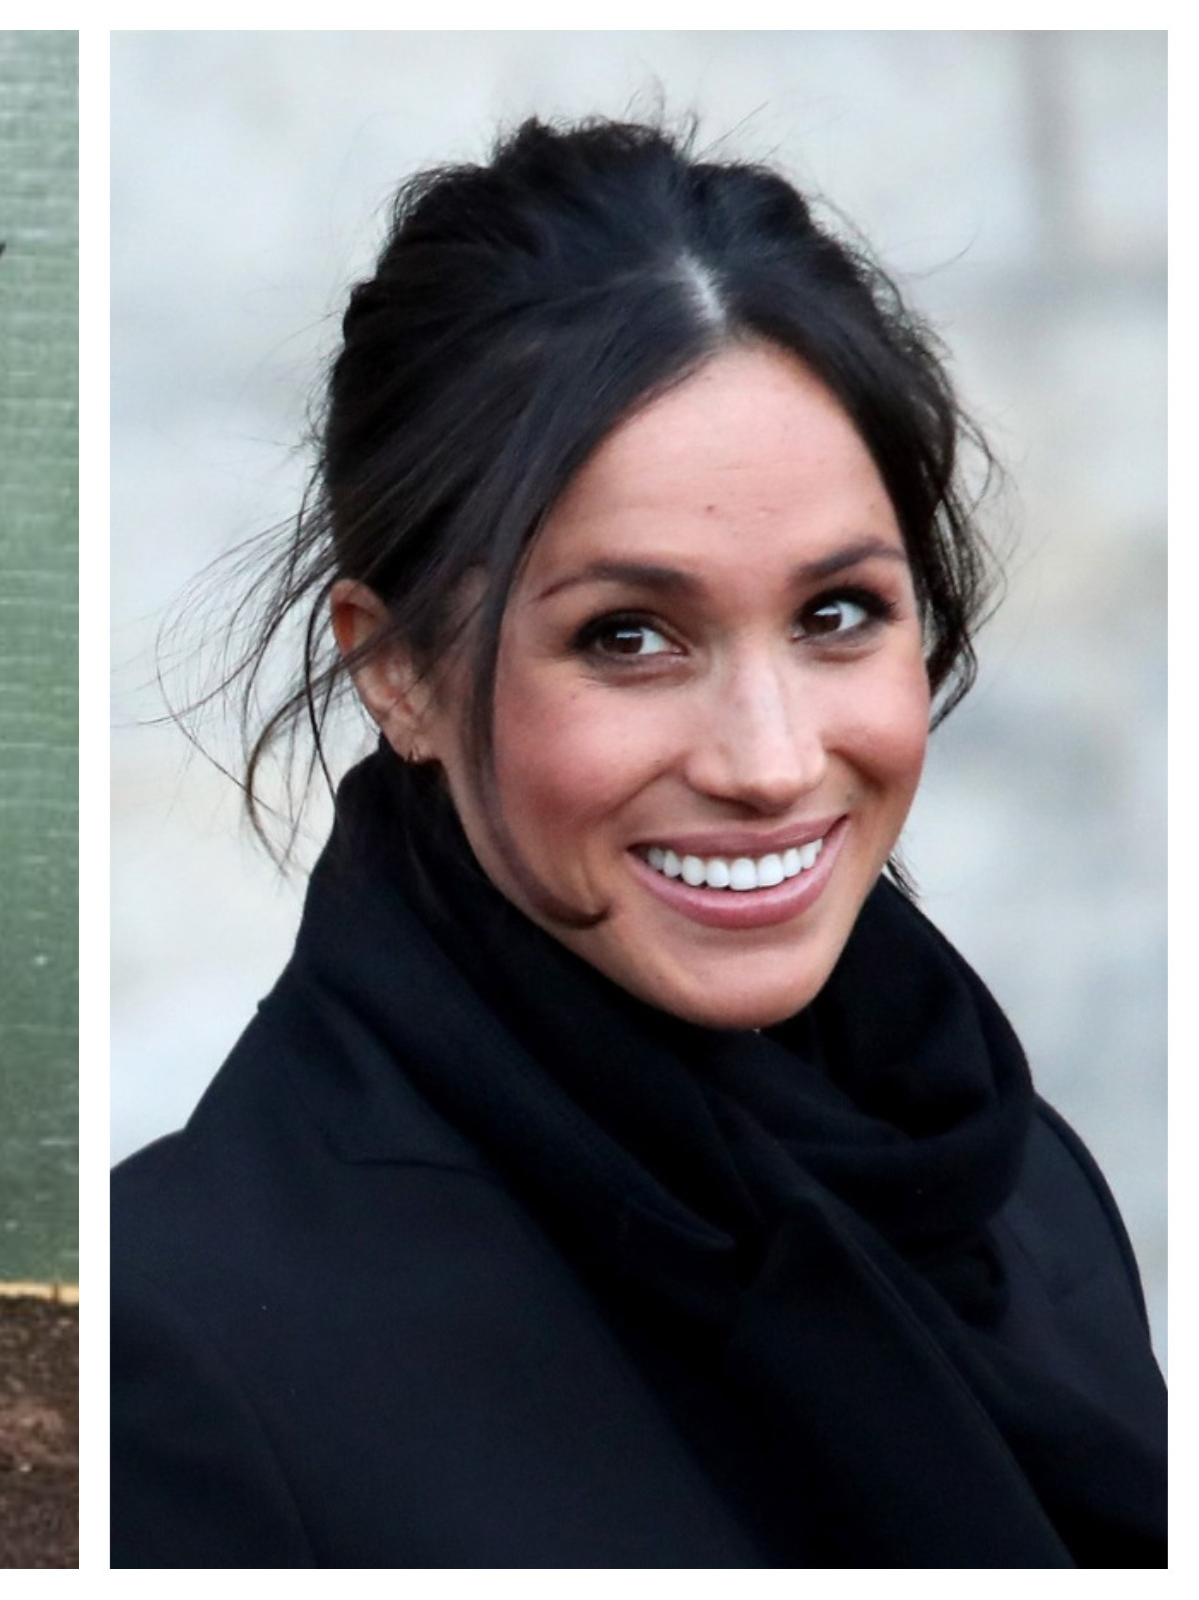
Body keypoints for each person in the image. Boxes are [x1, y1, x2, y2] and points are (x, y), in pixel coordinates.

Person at [110, 118, 1166, 1568]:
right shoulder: (186, 1350)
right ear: (396, 670)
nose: (774, 758)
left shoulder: (1014, 1186)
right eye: (629, 637)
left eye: (838, 614)